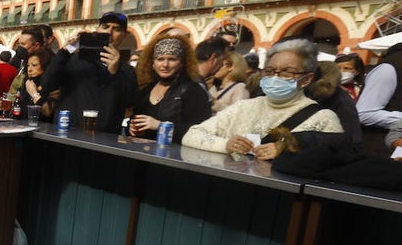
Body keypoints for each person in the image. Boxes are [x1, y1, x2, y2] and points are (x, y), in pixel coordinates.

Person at [182, 39, 345, 159]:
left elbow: (335, 158)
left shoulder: (323, 118)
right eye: (270, 71)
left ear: (307, 79)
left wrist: (287, 151)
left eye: (287, 72)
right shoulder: (243, 107)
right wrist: (226, 144)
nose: (276, 77)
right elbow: (192, 134)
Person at [39, 11, 136, 133]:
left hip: (104, 138)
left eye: (116, 29)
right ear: (97, 29)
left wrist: (114, 73)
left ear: (124, 35)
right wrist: (65, 51)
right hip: (68, 131)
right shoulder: (73, 60)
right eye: (105, 27)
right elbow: (47, 85)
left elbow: (128, 103)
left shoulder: (127, 71)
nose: (109, 32)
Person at [128, 31, 212, 141]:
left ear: (182, 63)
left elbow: (202, 130)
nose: (165, 65)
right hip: (143, 149)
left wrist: (160, 126)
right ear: (153, 63)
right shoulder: (147, 89)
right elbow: (135, 119)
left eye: (172, 59)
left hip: (175, 151)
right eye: (160, 59)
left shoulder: (192, 90)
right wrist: (132, 127)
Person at [13, 47, 58, 119]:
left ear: (46, 66)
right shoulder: (28, 82)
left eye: (34, 65)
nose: (29, 69)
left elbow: (48, 112)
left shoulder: (53, 85)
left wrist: (34, 94)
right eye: (28, 65)